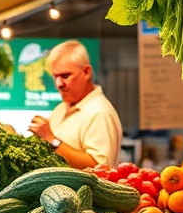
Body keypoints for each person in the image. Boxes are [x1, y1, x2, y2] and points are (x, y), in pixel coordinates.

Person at [26, 40, 123, 169]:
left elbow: (100, 169)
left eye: (65, 76)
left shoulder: (100, 113)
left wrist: (52, 140)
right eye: (55, 77)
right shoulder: (61, 108)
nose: (59, 84)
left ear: (87, 72)